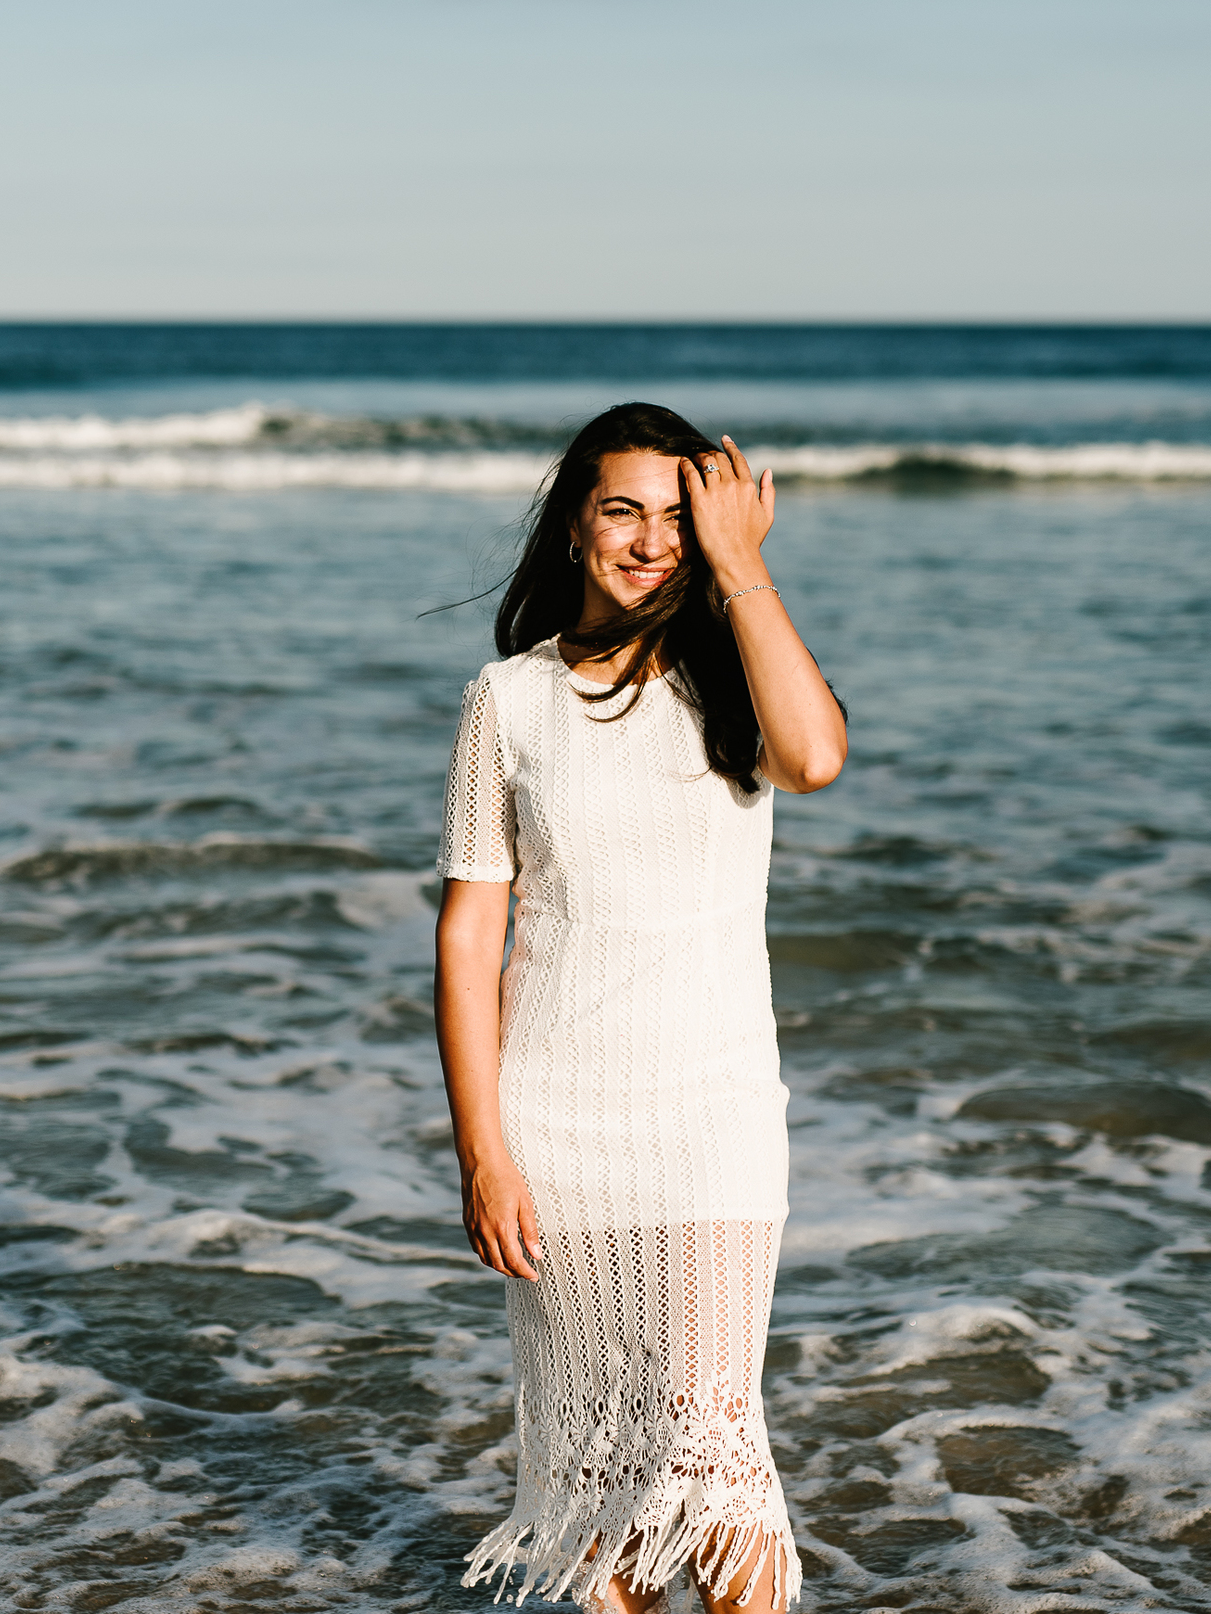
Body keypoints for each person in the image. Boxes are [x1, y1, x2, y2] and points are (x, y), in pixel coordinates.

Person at [435, 403, 847, 1612]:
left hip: (714, 1122)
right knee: (595, 1485)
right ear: (575, 523)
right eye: (623, 510)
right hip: (556, 1128)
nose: (649, 538)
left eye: (679, 514)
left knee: (718, 1467)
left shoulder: (738, 677)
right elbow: (470, 939)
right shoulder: (507, 701)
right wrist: (482, 1154)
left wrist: (744, 566)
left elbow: (817, 758)